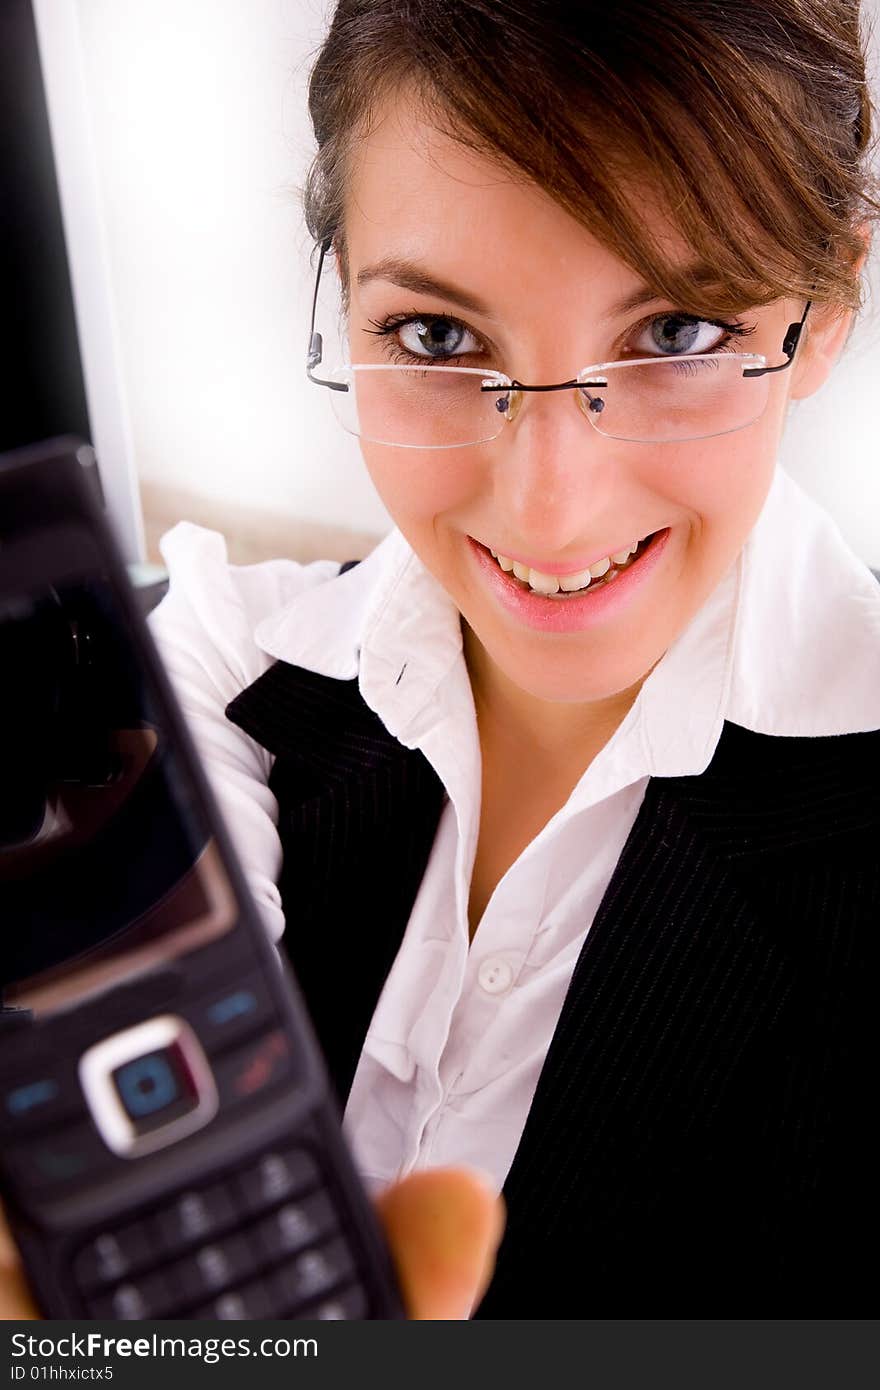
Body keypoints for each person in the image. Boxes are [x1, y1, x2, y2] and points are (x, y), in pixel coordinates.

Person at [5, 0, 879, 1318]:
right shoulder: (218, 668)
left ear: (824, 314)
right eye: (435, 336)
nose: (549, 508)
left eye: (678, 333)